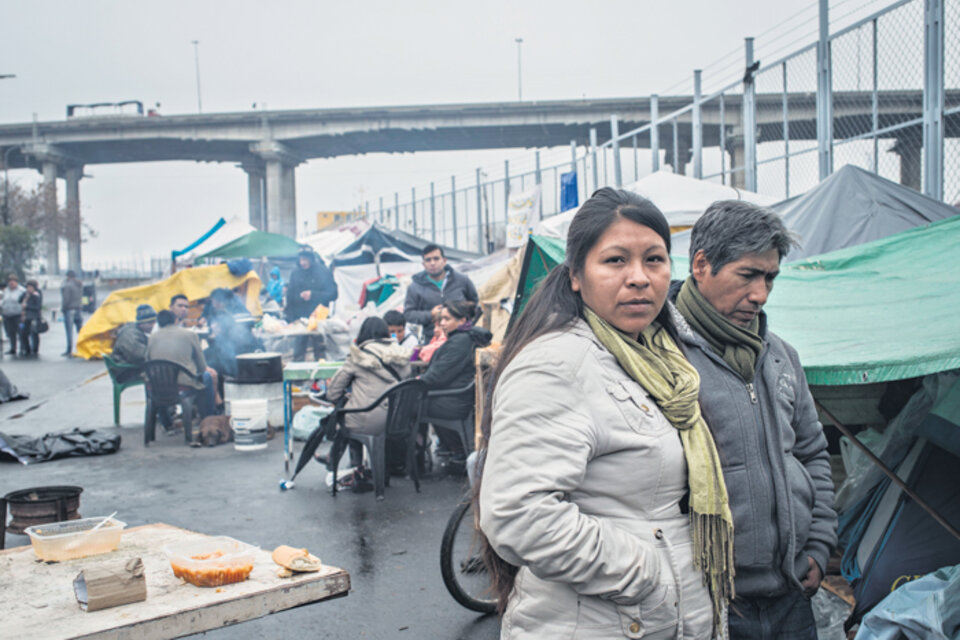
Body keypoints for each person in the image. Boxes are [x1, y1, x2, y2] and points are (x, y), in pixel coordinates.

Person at [477, 188, 731, 638]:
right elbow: (518, 514)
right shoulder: (558, 363)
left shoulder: (660, 360)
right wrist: (645, 572)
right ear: (576, 275)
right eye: (616, 261)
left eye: (654, 259)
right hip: (600, 620)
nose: (639, 277)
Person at [671, 200, 838, 640]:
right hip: (705, 602)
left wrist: (819, 548)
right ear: (702, 265)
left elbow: (813, 454)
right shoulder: (659, 355)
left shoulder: (781, 357)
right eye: (748, 275)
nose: (761, 294)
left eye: (770, 278)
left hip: (790, 596)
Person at [325, 317, 413, 483]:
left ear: (363, 334)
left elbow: (332, 393)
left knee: (346, 416)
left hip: (369, 420)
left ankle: (355, 467)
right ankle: (370, 470)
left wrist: (350, 397)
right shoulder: (401, 354)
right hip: (398, 420)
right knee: (354, 412)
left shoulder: (358, 357)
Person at [419, 300, 491, 468]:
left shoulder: (460, 341)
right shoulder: (461, 338)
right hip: (452, 396)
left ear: (462, 321)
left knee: (406, 402)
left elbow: (437, 376)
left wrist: (418, 382)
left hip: (453, 401)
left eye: (446, 319)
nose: (442, 323)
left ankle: (414, 457)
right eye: (441, 319)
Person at [147, 310, 217, 425]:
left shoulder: (152, 338)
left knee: (152, 386)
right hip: (183, 384)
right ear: (175, 320)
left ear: (158, 323)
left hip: (158, 384)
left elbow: (148, 360)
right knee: (207, 377)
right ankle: (207, 419)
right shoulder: (189, 334)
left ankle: (167, 424)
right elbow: (202, 366)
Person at [403, 244, 478, 342]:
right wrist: (430, 315)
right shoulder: (415, 287)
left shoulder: (462, 280)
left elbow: (474, 304)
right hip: (433, 338)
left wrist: (460, 315)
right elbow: (408, 314)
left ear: (444, 261)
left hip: (461, 337)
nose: (432, 263)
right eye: (428, 260)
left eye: (436, 258)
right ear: (423, 264)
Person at [286, 246, 338, 361]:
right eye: (300, 260)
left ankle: (321, 377)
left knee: (320, 351)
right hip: (300, 319)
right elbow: (290, 296)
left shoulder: (323, 272)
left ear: (311, 259)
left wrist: (313, 295)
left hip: (319, 318)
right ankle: (297, 377)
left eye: (305, 259)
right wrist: (289, 317)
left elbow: (333, 293)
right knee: (298, 351)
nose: (302, 263)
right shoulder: (295, 273)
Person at [60, 270, 83, 356]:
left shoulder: (68, 285)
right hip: (78, 308)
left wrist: (63, 308)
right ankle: (82, 347)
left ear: (68, 276)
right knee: (80, 330)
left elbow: (66, 299)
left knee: (69, 331)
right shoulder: (79, 285)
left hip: (69, 309)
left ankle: (69, 349)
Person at [18, 280, 43, 357]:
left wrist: (27, 306)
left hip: (34, 317)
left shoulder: (37, 295)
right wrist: (24, 296)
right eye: (28, 287)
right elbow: (19, 301)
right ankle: (26, 348)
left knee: (34, 333)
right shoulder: (25, 295)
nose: (29, 289)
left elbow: (38, 307)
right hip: (24, 317)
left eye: (30, 287)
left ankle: (35, 349)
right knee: (23, 333)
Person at [2, 275, 25, 355]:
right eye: (10, 281)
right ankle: (13, 348)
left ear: (16, 282)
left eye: (13, 281)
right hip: (8, 315)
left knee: (21, 332)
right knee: (11, 333)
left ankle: (22, 348)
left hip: (18, 315)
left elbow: (24, 302)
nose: (11, 282)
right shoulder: (6, 291)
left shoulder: (21, 291)